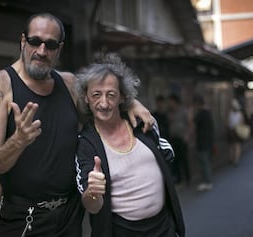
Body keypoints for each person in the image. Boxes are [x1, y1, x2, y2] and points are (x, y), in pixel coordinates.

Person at [0, 12, 154, 236]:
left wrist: (131, 104)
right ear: (23, 41)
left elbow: (102, 98)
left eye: (50, 45)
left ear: (59, 49)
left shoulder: (69, 83)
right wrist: (18, 141)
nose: (42, 51)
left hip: (71, 215)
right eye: (35, 42)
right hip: (25, 218)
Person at [75, 54, 185, 237]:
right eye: (96, 95)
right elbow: (92, 206)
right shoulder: (85, 143)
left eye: (111, 95)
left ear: (122, 98)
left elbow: (167, 153)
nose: (103, 103)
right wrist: (93, 192)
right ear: (86, 97)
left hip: (164, 227)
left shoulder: (142, 124)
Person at [167, 94, 190, 185]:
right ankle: (178, 178)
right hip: (173, 138)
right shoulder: (169, 113)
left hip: (182, 138)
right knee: (175, 159)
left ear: (175, 102)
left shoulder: (183, 111)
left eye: (171, 102)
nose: (170, 104)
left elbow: (189, 124)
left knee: (184, 159)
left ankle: (187, 178)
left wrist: (187, 136)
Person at [192, 95, 214, 191]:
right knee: (205, 162)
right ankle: (207, 181)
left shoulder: (201, 114)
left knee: (204, 162)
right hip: (208, 140)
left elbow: (192, 123)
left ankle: (207, 182)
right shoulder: (208, 113)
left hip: (202, 141)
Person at [227, 99, 244, 166]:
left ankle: (231, 159)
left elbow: (227, 123)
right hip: (237, 130)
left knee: (231, 145)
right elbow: (241, 123)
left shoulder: (230, 113)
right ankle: (236, 160)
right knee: (237, 145)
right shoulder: (240, 114)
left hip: (231, 130)